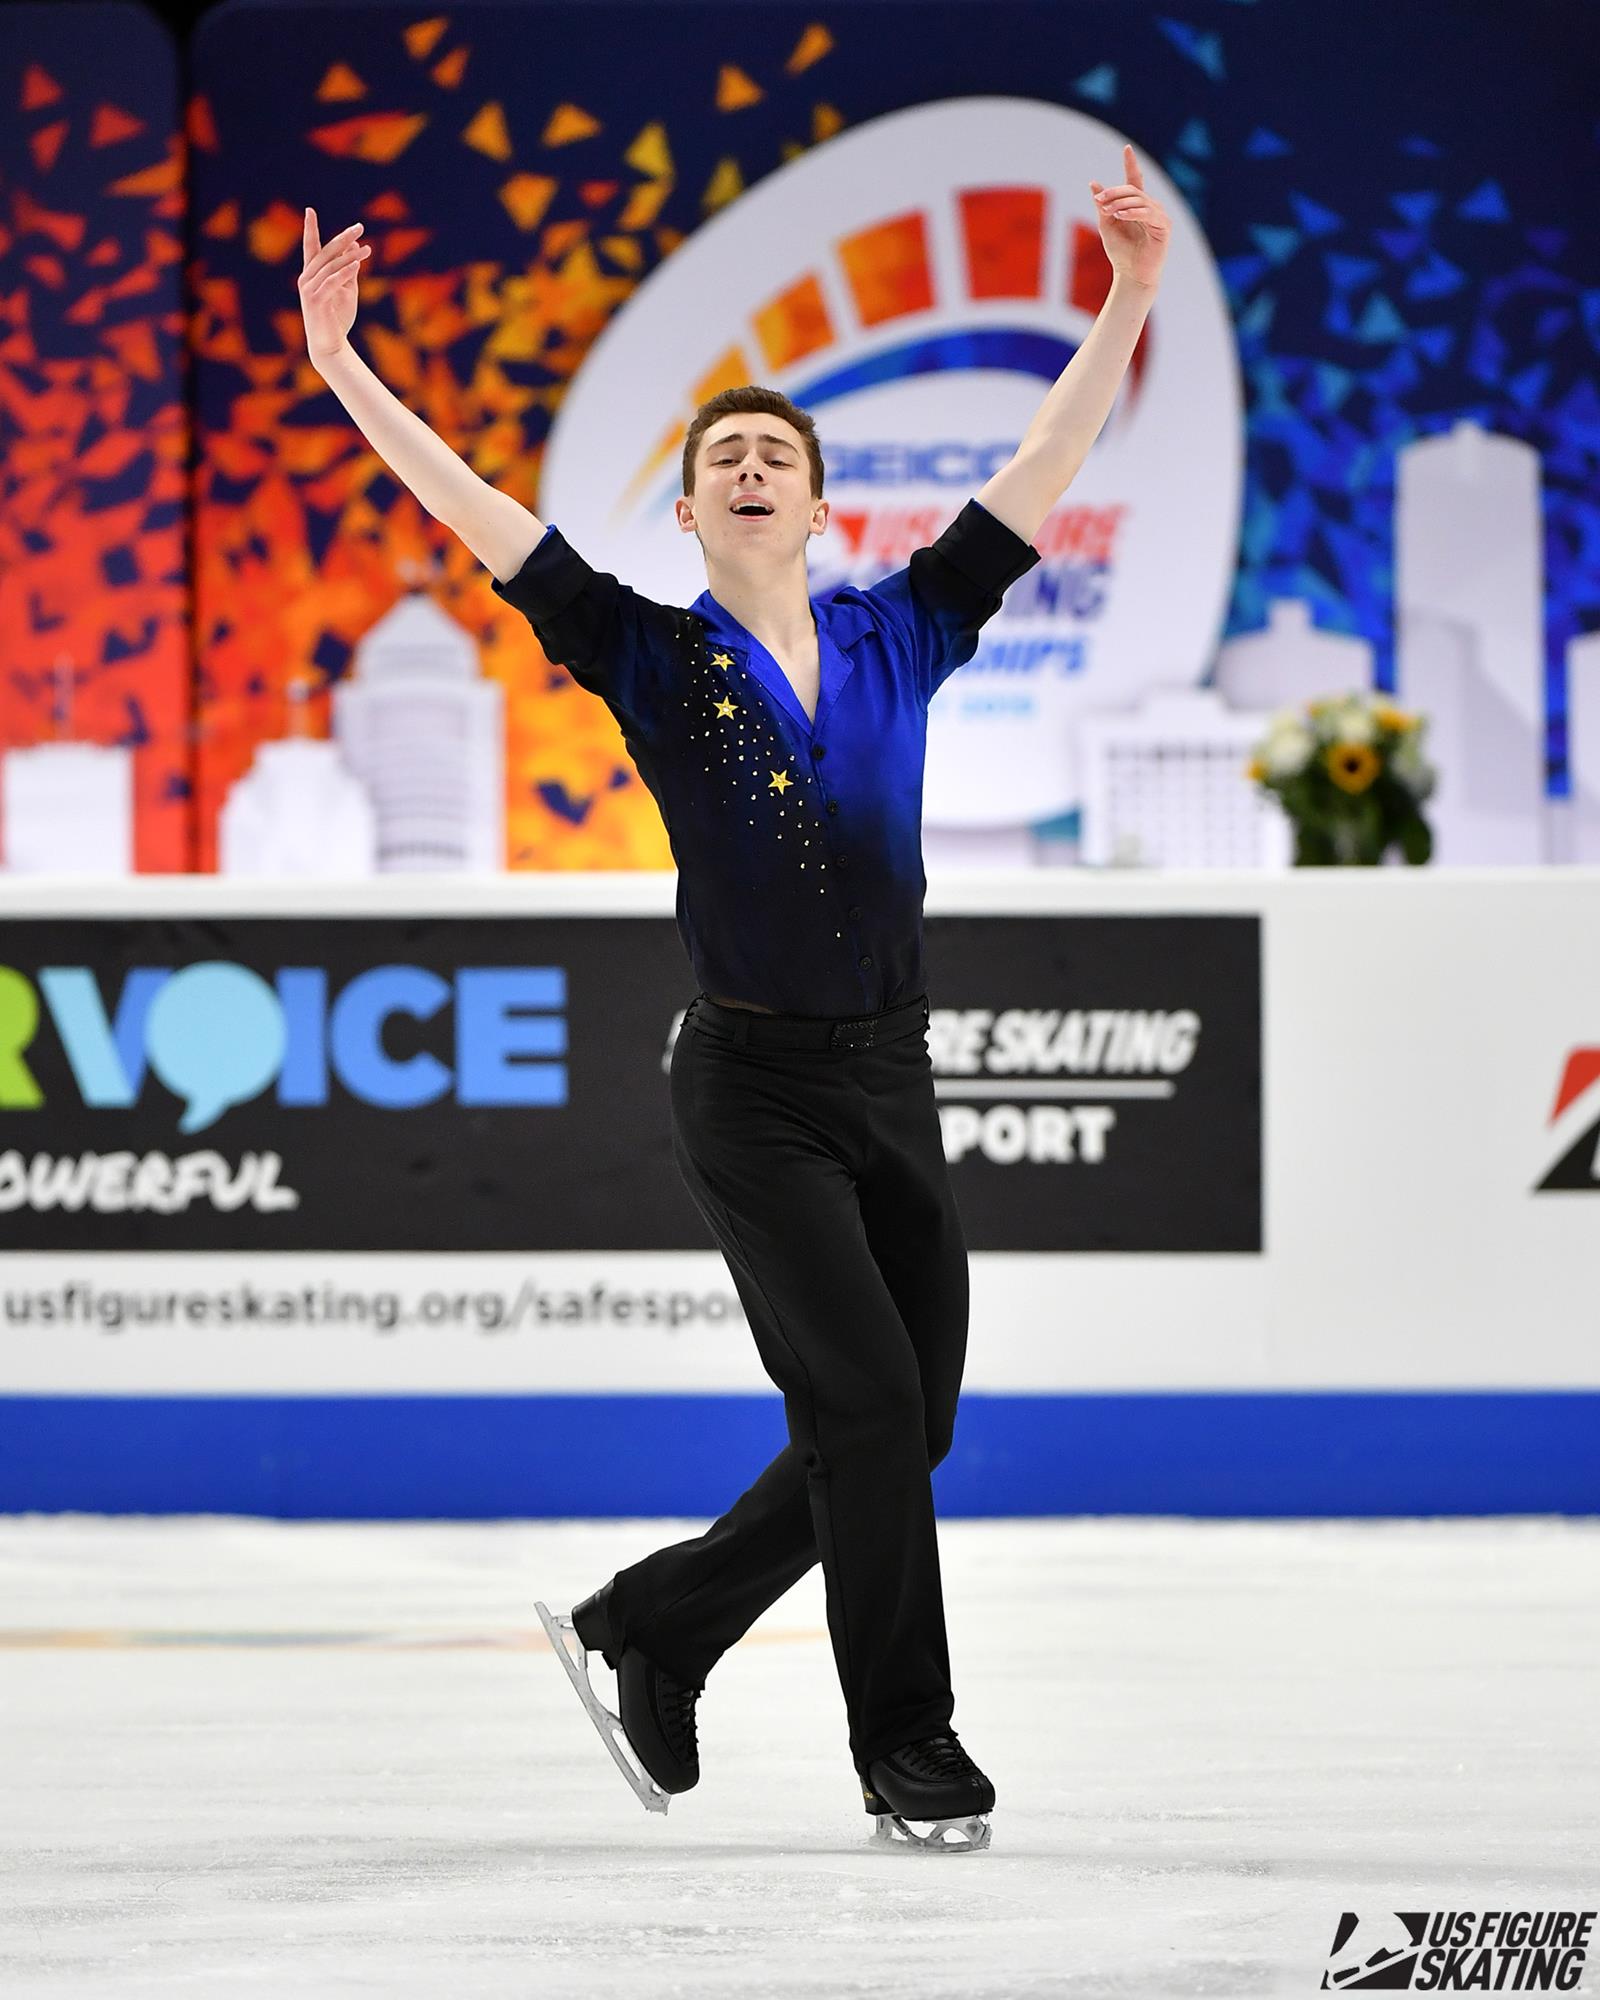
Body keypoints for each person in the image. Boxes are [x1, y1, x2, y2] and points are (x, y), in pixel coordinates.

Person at [298, 150, 1169, 1850]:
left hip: (892, 1077)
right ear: (687, 513)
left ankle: (658, 1622)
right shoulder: (643, 652)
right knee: (862, 1408)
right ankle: (905, 1747)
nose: (753, 467)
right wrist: (345, 370)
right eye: (723, 460)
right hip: (752, 1094)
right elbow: (476, 510)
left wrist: (1129, 293)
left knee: (901, 1427)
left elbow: (1045, 459)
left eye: (779, 452)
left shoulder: (909, 627)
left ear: (826, 504)